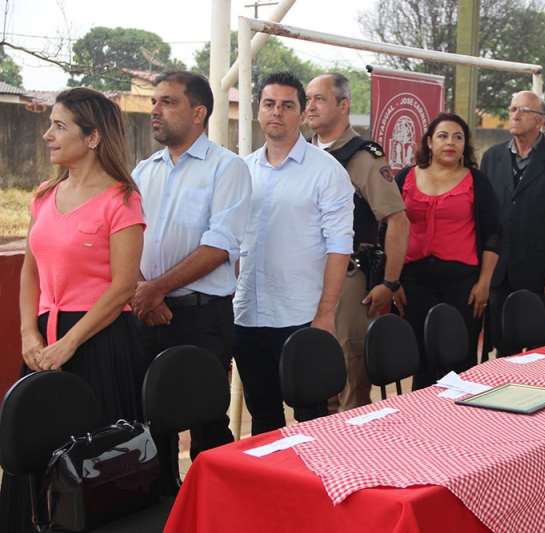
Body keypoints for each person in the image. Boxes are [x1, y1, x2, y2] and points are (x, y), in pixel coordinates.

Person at [2, 87, 149, 532]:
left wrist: (69, 343)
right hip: (45, 344)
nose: (47, 134)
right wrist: (30, 333)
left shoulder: (122, 200)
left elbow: (124, 285)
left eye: (59, 125)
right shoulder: (45, 195)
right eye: (50, 124)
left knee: (95, 465)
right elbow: (30, 272)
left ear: (92, 138)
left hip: (100, 343)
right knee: (31, 453)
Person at [132, 71, 251, 492]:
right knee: (148, 418)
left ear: (199, 112)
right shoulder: (144, 171)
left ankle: (218, 505)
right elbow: (125, 240)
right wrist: (143, 292)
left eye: (168, 102)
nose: (155, 110)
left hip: (201, 319)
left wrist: (157, 287)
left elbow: (219, 246)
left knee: (206, 421)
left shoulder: (227, 168)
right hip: (146, 313)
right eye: (154, 102)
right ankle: (163, 503)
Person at [233, 71, 354, 433]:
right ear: (258, 110)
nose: (277, 112)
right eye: (269, 104)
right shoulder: (241, 170)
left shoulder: (326, 172)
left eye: (288, 105)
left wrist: (326, 315)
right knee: (263, 420)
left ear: (302, 114)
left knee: (310, 422)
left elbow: (339, 246)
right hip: (247, 315)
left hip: (301, 316)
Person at [306, 72, 409, 413]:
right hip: (305, 279)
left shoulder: (362, 156)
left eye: (319, 99)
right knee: (312, 377)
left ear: (344, 105)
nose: (310, 106)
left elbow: (397, 220)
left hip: (349, 279)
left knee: (349, 377)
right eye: (307, 99)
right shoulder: (301, 154)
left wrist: (390, 282)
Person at [392, 113, 501, 389]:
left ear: (466, 145)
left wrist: (484, 283)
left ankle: (461, 425)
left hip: (462, 284)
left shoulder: (477, 181)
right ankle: (423, 425)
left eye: (458, 137)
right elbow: (388, 232)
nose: (449, 142)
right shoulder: (404, 177)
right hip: (414, 282)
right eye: (442, 136)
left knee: (460, 360)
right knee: (423, 361)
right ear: (429, 141)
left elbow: (493, 235)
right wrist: (391, 281)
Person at [481, 91, 545, 355]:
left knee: (538, 347)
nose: (515, 115)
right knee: (502, 345)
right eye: (512, 109)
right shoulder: (492, 157)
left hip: (540, 270)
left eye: (523, 110)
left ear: (540, 120)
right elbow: (485, 216)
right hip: (499, 270)